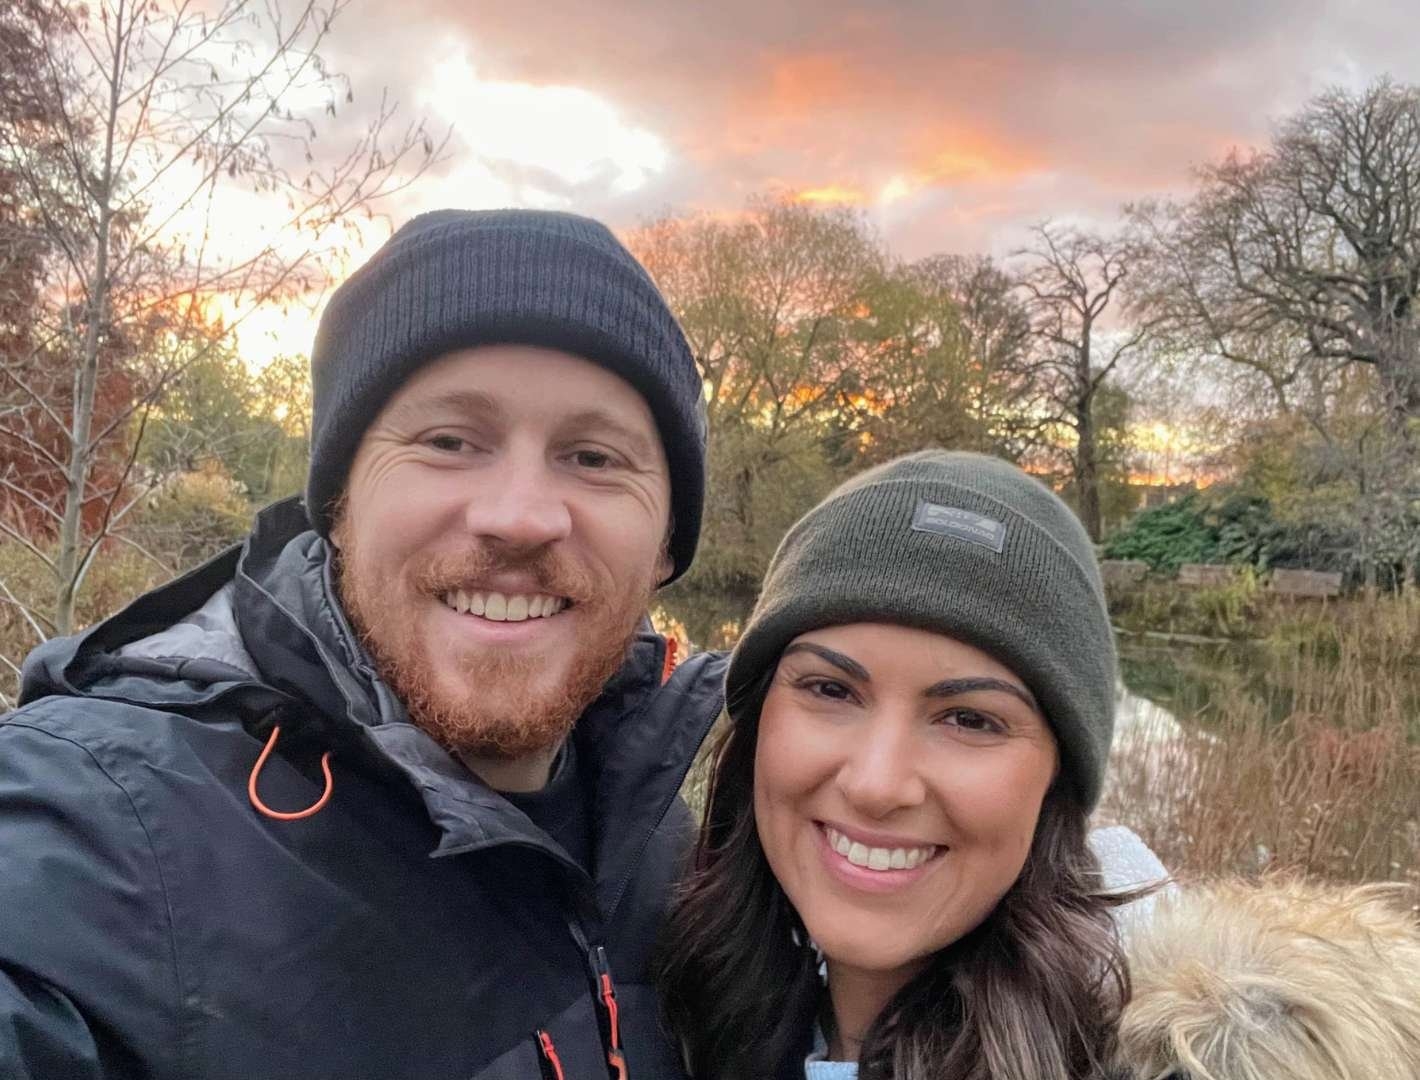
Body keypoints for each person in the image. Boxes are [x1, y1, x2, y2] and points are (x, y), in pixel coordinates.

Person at [0, 209, 726, 1079]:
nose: (521, 516)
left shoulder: (674, 858)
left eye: (595, 457)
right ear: (338, 503)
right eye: (450, 442)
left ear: (668, 545)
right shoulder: (102, 825)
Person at [659, 450, 1135, 1080]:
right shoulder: (668, 1008)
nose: (877, 784)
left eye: (970, 719)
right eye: (831, 690)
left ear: (1057, 782)